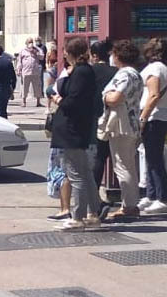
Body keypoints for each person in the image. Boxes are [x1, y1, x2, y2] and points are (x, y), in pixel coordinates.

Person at [50, 37, 99, 231]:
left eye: (65, 51)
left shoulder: (81, 73)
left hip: (72, 129)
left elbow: (74, 100)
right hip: (77, 128)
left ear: (70, 52)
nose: (63, 54)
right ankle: (93, 213)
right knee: (85, 173)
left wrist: (59, 100)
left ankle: (78, 217)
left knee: (76, 174)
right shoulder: (81, 71)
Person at [102, 40, 144, 220]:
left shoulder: (125, 74)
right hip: (131, 122)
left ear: (118, 56)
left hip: (122, 124)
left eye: (113, 54)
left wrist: (105, 97)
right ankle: (131, 203)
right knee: (128, 165)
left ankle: (129, 206)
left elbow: (116, 97)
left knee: (122, 165)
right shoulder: (136, 74)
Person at [137, 38, 167, 215]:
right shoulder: (165, 69)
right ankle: (151, 195)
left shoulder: (155, 69)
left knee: (154, 159)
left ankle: (162, 198)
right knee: (151, 158)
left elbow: (153, 95)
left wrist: (143, 118)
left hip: (154, 117)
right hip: (162, 115)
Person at [44, 50, 71, 220]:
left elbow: (50, 90)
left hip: (65, 129)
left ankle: (66, 208)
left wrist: (56, 99)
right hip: (84, 128)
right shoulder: (86, 73)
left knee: (63, 169)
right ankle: (92, 207)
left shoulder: (68, 74)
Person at [89, 40, 117, 195]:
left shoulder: (89, 71)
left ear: (93, 55)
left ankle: (93, 192)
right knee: (116, 159)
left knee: (97, 158)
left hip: (92, 117)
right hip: (113, 116)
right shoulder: (116, 72)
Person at [16, 38, 43, 107]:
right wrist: (18, 69)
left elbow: (42, 57)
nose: (30, 43)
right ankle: (24, 101)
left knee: (37, 87)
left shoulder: (37, 49)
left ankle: (38, 102)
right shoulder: (23, 51)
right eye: (29, 42)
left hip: (35, 71)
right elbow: (19, 61)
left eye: (31, 42)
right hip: (25, 71)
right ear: (26, 43)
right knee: (24, 87)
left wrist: (35, 52)